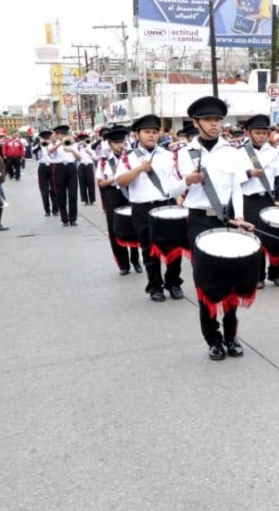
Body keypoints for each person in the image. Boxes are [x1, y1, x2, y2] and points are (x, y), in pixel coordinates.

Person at [172, 97, 256, 361]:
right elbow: (170, 189)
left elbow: (236, 189)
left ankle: (231, 336)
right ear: (196, 123)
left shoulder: (232, 152)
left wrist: (240, 217)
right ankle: (213, 338)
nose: (214, 125)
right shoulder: (184, 153)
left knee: (231, 279)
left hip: (227, 220)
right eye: (208, 120)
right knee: (206, 281)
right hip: (199, 220)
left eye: (217, 120)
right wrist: (188, 180)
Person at [116, 114, 185, 303]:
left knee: (174, 247)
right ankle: (155, 286)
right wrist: (139, 169)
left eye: (154, 132)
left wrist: (179, 197)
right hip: (142, 208)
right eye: (147, 132)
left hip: (166, 205)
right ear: (137, 134)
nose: (151, 136)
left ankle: (174, 282)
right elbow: (120, 181)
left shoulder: (167, 155)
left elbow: (174, 181)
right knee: (149, 249)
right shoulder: (128, 158)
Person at [240, 114, 279, 289]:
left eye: (264, 132)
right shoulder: (240, 152)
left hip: (269, 199)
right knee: (256, 239)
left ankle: (276, 273)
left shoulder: (272, 152)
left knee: (274, 238)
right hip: (249, 200)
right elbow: (233, 180)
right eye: (258, 132)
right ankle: (258, 276)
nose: (261, 136)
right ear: (249, 133)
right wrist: (248, 173)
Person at [96, 127, 142, 275]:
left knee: (134, 226)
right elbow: (101, 183)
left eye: (121, 142)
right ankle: (123, 264)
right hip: (113, 195)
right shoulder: (104, 162)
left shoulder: (131, 158)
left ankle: (135, 260)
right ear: (109, 144)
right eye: (116, 143)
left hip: (130, 192)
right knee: (114, 228)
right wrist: (114, 178)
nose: (119, 145)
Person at [49, 125, 81, 226]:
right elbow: (50, 152)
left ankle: (73, 219)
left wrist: (71, 150)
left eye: (65, 134)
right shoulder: (54, 144)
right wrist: (60, 144)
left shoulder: (73, 144)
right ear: (57, 135)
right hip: (59, 168)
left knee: (73, 195)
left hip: (71, 168)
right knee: (61, 195)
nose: (64, 136)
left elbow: (79, 158)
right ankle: (64, 219)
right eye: (62, 134)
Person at [34, 130, 56, 216]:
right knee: (44, 190)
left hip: (52, 166)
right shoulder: (38, 145)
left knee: (54, 189)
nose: (46, 139)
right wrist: (40, 144)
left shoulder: (54, 144)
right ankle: (47, 210)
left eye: (48, 138)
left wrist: (51, 143)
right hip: (42, 167)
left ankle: (55, 209)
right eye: (45, 138)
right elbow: (33, 151)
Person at [76, 133, 97, 205]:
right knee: (82, 183)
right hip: (81, 166)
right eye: (81, 139)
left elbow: (95, 157)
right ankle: (85, 199)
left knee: (91, 183)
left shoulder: (91, 146)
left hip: (89, 165)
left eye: (84, 139)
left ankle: (91, 199)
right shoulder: (77, 147)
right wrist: (79, 145)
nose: (83, 141)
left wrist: (89, 152)